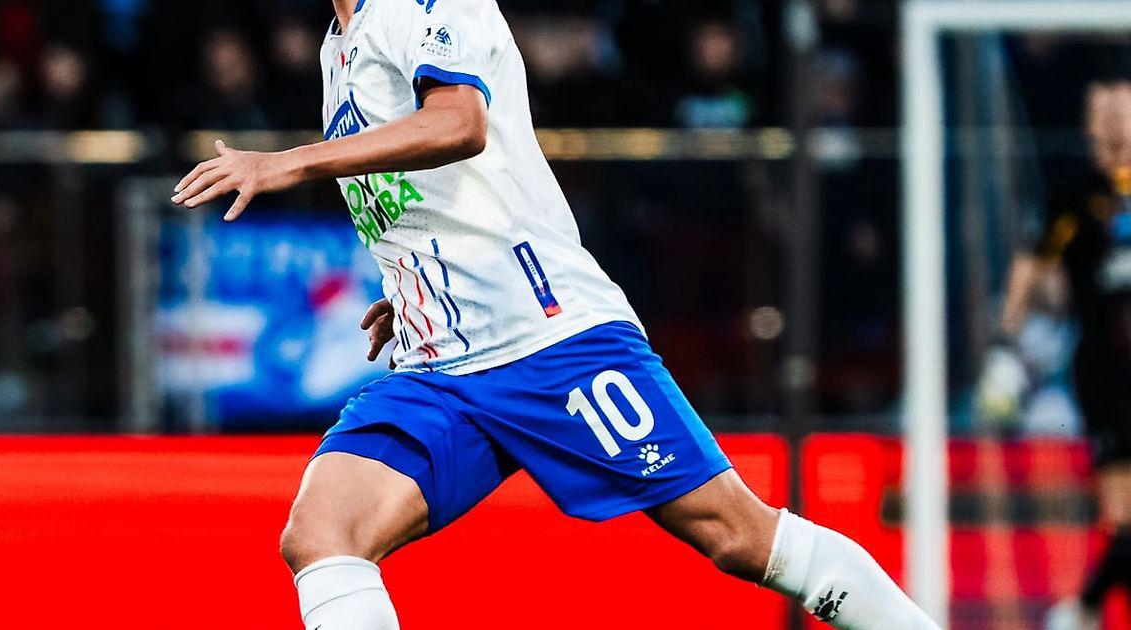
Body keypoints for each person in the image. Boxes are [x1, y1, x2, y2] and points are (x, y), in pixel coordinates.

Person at [171, 1, 941, 628]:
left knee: (735, 535)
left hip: (548, 339)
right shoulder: (340, 44)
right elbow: (437, 190)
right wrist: (411, 286)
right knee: (322, 534)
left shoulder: (428, 2)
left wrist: (288, 161)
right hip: (441, 365)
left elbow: (460, 124)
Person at [983, 78, 1131, 630]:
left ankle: (1084, 609)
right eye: (1102, 112)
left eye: (1122, 109)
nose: (1114, 122)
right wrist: (1006, 345)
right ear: (1088, 124)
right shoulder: (1075, 195)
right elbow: (1032, 264)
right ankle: (1085, 609)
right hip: (1108, 373)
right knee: (1123, 515)